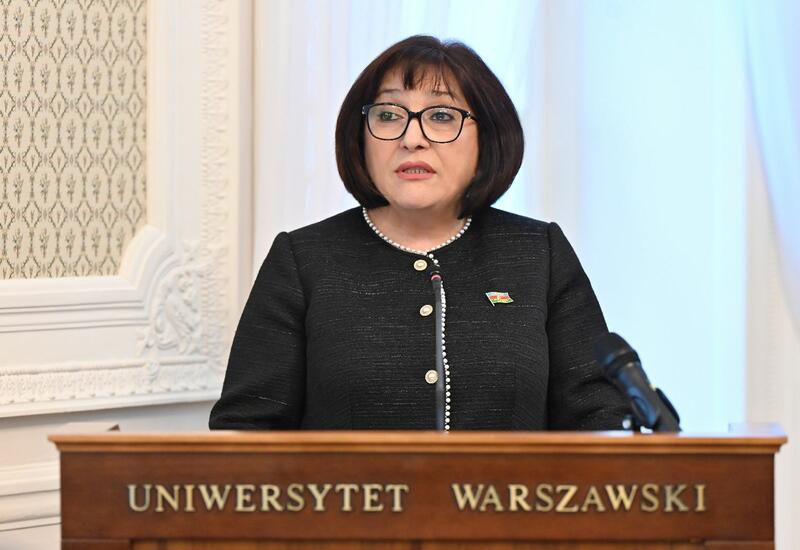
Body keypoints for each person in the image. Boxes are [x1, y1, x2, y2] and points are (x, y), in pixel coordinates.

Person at [209, 35, 629, 431]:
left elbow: (600, 419)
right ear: (361, 137)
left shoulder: (539, 254)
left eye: (441, 116)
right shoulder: (304, 259)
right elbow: (245, 430)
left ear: (488, 136)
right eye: (388, 115)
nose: (411, 139)